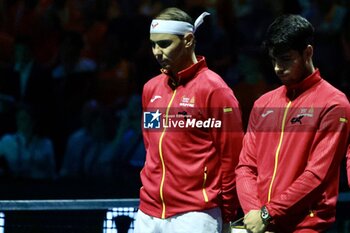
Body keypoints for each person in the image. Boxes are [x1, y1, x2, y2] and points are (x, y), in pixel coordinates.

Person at [235, 14, 350, 233]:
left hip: (307, 227)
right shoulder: (263, 103)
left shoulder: (334, 104)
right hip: (262, 225)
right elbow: (246, 167)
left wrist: (267, 214)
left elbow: (317, 175)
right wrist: (256, 214)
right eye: (273, 59)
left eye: (286, 59)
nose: (278, 67)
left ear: (308, 52)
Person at [134, 7, 244, 233]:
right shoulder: (150, 89)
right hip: (148, 212)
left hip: (195, 214)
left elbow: (231, 158)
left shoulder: (215, 90)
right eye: (153, 44)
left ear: (188, 40)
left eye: (164, 44)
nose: (157, 52)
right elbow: (151, 146)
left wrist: (228, 214)